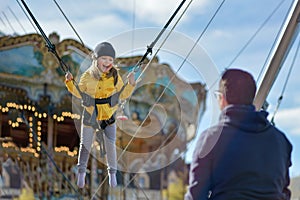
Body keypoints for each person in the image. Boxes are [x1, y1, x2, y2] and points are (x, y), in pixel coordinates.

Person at [185, 68, 292, 199]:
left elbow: (196, 195)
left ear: (222, 98)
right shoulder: (281, 141)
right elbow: (284, 191)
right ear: (251, 98)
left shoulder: (210, 139)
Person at [65, 42, 136, 188]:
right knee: (85, 144)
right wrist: (70, 83)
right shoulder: (87, 76)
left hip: (108, 115)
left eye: (110, 60)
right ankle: (81, 173)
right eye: (104, 59)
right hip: (91, 114)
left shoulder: (115, 77)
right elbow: (79, 92)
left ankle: (112, 174)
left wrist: (130, 84)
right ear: (96, 59)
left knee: (111, 145)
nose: (108, 63)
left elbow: (122, 94)